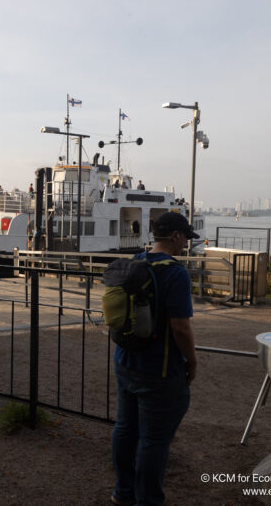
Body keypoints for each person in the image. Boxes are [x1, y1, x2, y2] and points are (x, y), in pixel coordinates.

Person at [111, 212, 199, 506]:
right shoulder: (175, 273)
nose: (187, 242)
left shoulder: (134, 261)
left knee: (125, 429)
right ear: (175, 236)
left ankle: (123, 493)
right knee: (154, 442)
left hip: (125, 360)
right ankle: (147, 501)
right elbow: (180, 328)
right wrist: (192, 361)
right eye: (186, 236)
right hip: (158, 371)